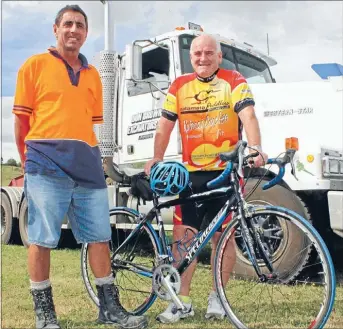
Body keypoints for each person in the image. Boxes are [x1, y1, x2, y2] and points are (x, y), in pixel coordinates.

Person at [13, 5, 147, 329]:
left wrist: (103, 164)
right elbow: (20, 121)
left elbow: (90, 126)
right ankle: (45, 316)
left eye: (80, 26)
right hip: (46, 167)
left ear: (86, 33)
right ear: (56, 29)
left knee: (100, 238)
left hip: (87, 170)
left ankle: (110, 310)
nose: (74, 30)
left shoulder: (92, 76)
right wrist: (28, 160)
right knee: (42, 240)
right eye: (68, 24)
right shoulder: (33, 66)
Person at [144, 33, 268, 323]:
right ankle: (180, 300)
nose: (202, 58)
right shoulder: (179, 85)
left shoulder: (233, 79)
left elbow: (248, 114)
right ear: (191, 57)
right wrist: (157, 157)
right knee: (183, 237)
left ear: (219, 56)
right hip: (189, 174)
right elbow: (164, 126)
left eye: (209, 53)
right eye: (197, 53)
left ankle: (218, 296)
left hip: (223, 172)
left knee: (223, 238)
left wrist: (256, 147)